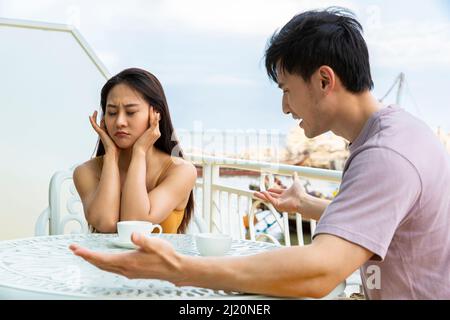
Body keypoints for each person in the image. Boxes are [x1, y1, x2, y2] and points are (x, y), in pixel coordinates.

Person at [70, 8, 450, 299]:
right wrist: (311, 206)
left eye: (286, 89)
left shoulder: (386, 153)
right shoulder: (391, 136)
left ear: (323, 80)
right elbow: (389, 220)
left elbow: (319, 272)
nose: (285, 107)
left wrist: (180, 269)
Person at [72, 68, 197, 234]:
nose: (120, 121)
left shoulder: (181, 170)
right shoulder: (86, 172)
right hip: (106, 261)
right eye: (112, 112)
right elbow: (106, 223)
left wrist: (139, 152)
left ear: (156, 114)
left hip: (159, 260)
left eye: (130, 112)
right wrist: (110, 156)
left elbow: (135, 223)